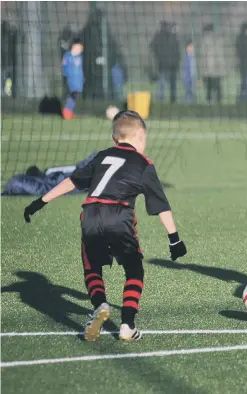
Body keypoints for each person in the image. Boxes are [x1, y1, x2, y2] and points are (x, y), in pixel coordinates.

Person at [23, 110, 188, 342]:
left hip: (90, 214)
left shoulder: (102, 156)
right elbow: (161, 206)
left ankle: (99, 304)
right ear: (141, 136)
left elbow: (70, 182)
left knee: (92, 268)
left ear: (114, 139)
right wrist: (175, 239)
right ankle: (127, 325)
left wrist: (39, 202)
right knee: (133, 269)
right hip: (120, 215)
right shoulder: (144, 164)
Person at [150, 21, 181, 104]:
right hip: (169, 64)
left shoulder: (159, 36)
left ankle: (162, 100)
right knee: (167, 84)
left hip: (164, 64)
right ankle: (171, 100)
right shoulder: (172, 36)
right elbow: (177, 52)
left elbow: (152, 47)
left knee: (162, 84)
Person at [61, 38, 84, 120]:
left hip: (78, 81)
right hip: (71, 80)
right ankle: (67, 112)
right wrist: (66, 76)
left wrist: (82, 78)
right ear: (73, 46)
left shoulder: (79, 57)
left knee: (74, 96)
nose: (80, 49)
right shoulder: (68, 56)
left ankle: (69, 111)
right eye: (78, 47)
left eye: (81, 48)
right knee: (73, 95)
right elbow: (64, 67)